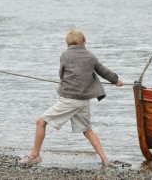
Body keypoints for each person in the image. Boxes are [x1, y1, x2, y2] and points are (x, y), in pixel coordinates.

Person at [20, 28, 123, 167]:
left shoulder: (65, 55)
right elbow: (104, 71)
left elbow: (61, 74)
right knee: (88, 130)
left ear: (67, 43)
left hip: (70, 99)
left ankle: (34, 156)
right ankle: (105, 160)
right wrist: (116, 81)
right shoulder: (91, 56)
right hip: (84, 101)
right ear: (84, 41)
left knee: (41, 122)